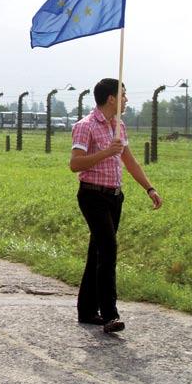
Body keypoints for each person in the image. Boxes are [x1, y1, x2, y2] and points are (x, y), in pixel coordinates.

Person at [70, 78, 163, 334]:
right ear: (111, 98)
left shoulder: (118, 125)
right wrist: (106, 151)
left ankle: (87, 309)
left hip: (114, 197)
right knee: (108, 249)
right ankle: (110, 314)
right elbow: (75, 164)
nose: (126, 99)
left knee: (98, 252)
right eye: (123, 94)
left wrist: (149, 188)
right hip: (92, 195)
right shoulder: (85, 126)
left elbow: (130, 161)